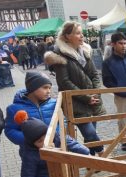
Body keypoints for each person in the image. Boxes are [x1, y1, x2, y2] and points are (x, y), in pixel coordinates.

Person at [44, 21, 106, 156]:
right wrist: (86, 97)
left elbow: (95, 74)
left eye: (81, 33)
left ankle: (91, 163)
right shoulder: (59, 55)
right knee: (90, 133)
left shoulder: (85, 51)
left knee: (90, 135)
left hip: (92, 100)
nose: (81, 36)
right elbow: (64, 82)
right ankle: (102, 153)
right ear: (67, 36)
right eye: (77, 33)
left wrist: (95, 93)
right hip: (75, 103)